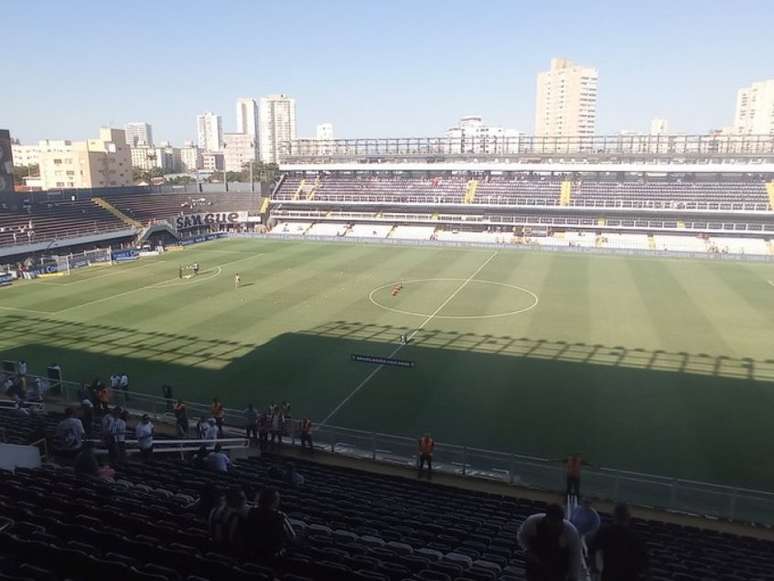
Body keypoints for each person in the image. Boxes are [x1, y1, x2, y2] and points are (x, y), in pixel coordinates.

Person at [517, 504, 583, 581]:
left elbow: (575, 556)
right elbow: (521, 536)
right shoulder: (533, 522)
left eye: (556, 521)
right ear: (546, 517)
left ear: (562, 520)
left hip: (558, 570)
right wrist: (527, 550)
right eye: (551, 521)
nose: (554, 525)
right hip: (535, 566)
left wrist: (573, 577)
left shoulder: (571, 532)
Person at [589, 503, 649, 581]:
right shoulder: (636, 537)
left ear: (613, 516)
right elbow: (645, 564)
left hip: (609, 576)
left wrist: (594, 568)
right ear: (628, 517)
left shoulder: (604, 532)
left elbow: (591, 550)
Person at [241, 487, 296, 560]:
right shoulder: (280, 516)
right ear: (275, 501)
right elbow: (292, 536)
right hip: (271, 555)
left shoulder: (250, 511)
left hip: (251, 551)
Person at [209, 486, 247, 553]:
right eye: (243, 498)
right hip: (230, 552)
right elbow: (235, 540)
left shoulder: (215, 510)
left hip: (214, 548)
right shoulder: (238, 517)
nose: (245, 501)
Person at [570, 497, 601, 567]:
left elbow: (596, 528)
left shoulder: (594, 515)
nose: (586, 504)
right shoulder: (577, 509)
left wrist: (586, 535)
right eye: (584, 502)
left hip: (586, 537)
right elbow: (571, 520)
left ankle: (584, 562)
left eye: (588, 503)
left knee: (581, 545)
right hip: (574, 533)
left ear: (590, 504)